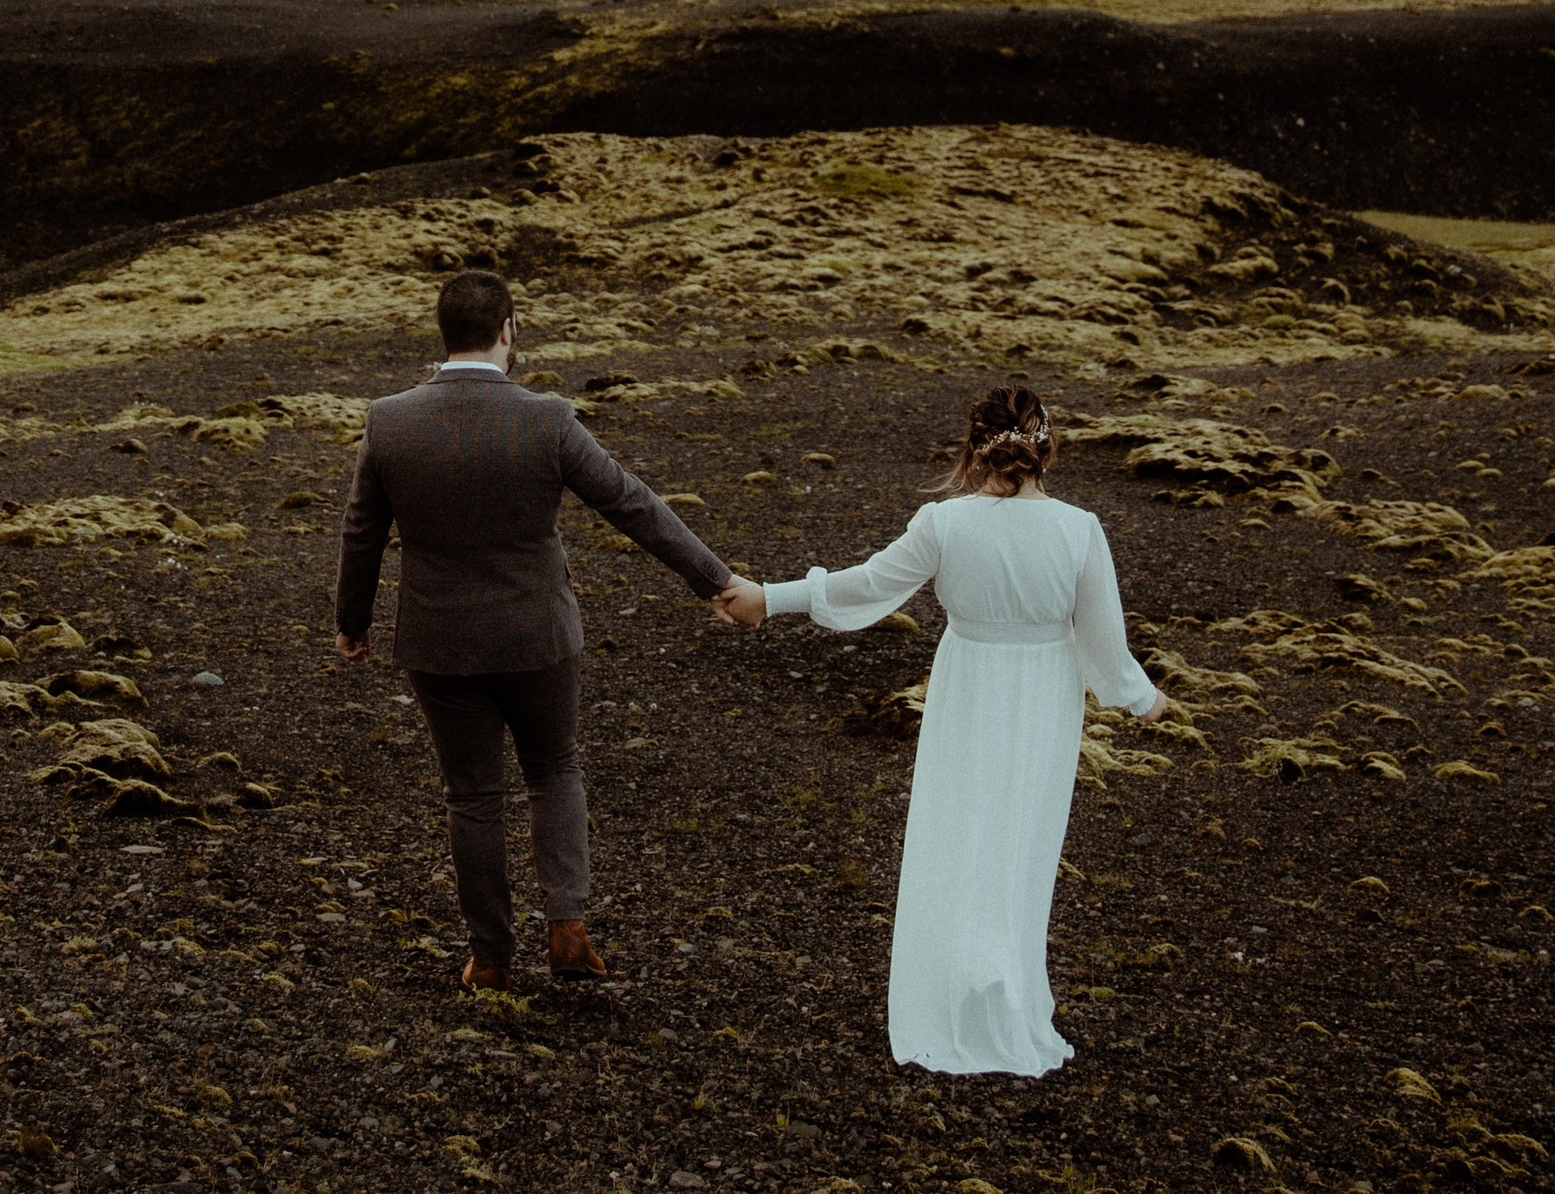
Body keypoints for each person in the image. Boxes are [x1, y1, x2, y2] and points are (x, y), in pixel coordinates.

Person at [713, 382, 1168, 1075]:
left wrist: (769, 599)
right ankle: (1004, 985)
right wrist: (1141, 699)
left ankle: (967, 980)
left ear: (973, 448)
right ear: (1048, 446)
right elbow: (1105, 648)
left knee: (962, 832)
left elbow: (865, 584)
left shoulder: (945, 524)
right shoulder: (1079, 529)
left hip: (969, 689)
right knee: (1021, 838)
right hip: (1044, 696)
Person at [334, 268, 741, 990]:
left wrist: (352, 622)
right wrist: (717, 581)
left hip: (439, 639)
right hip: (537, 635)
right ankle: (568, 929)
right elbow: (632, 505)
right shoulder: (548, 418)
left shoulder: (388, 419)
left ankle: (490, 959)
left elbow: (361, 532)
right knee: (554, 769)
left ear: (444, 333)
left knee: (472, 794)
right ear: (509, 330)